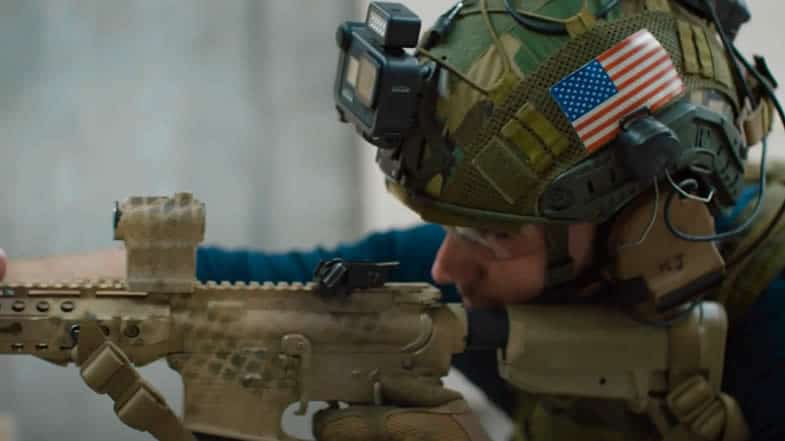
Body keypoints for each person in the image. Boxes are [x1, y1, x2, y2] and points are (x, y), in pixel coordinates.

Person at [2, 0, 784, 440]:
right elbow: (220, 288)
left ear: (643, 218)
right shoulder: (529, 277)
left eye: (489, 235)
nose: (443, 268)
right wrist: (12, 287)